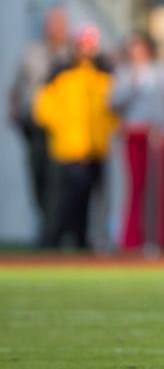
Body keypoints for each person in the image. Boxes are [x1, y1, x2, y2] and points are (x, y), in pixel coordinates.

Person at [32, 25, 116, 249]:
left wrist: (104, 132)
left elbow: (112, 110)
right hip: (67, 149)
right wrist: (64, 128)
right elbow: (43, 108)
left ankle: (80, 243)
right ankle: (51, 243)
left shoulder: (103, 73)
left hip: (94, 150)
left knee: (86, 203)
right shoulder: (61, 71)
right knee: (61, 203)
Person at [9, 5, 72, 244]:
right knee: (38, 177)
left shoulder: (70, 54)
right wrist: (15, 115)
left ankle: (53, 233)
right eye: (52, 24)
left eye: (60, 24)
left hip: (62, 129)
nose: (55, 29)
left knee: (59, 182)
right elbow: (16, 88)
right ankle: (46, 227)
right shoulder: (32, 52)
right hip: (34, 127)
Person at [110, 33, 164, 250]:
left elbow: (162, 103)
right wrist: (132, 84)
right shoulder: (124, 73)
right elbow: (113, 102)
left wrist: (161, 127)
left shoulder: (160, 72)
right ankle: (129, 237)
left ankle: (152, 237)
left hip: (151, 135)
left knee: (153, 186)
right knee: (133, 186)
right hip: (131, 134)